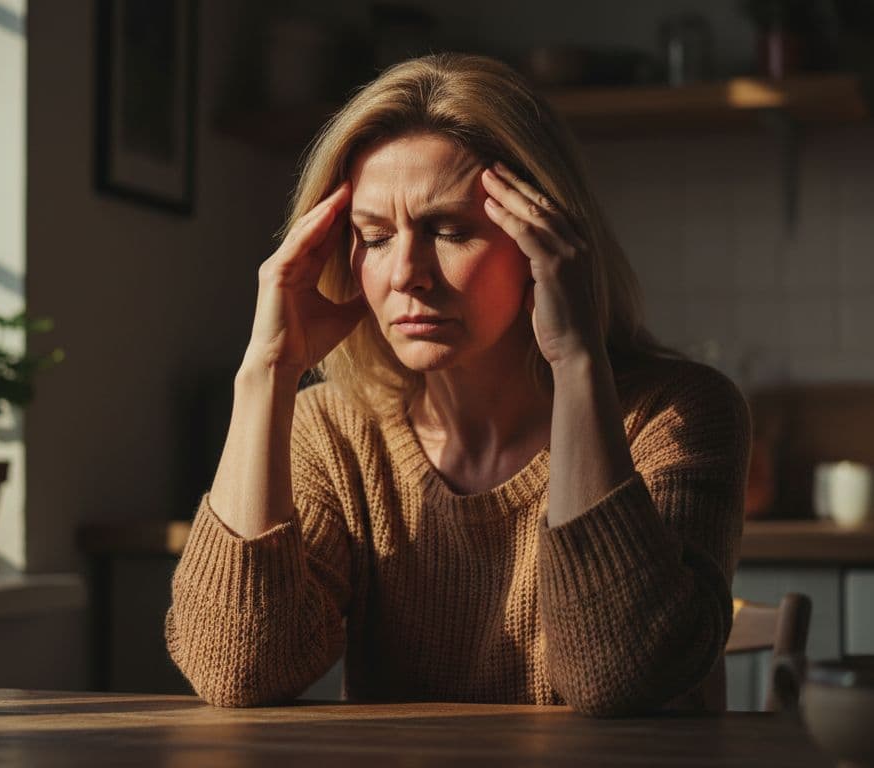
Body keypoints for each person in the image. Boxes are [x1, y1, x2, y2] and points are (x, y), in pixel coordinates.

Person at [165, 53, 750, 716]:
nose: (406, 273)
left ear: (547, 242)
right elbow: (237, 670)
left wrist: (577, 357)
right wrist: (266, 369)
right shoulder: (332, 431)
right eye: (375, 235)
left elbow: (618, 678)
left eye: (450, 230)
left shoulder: (677, 413)